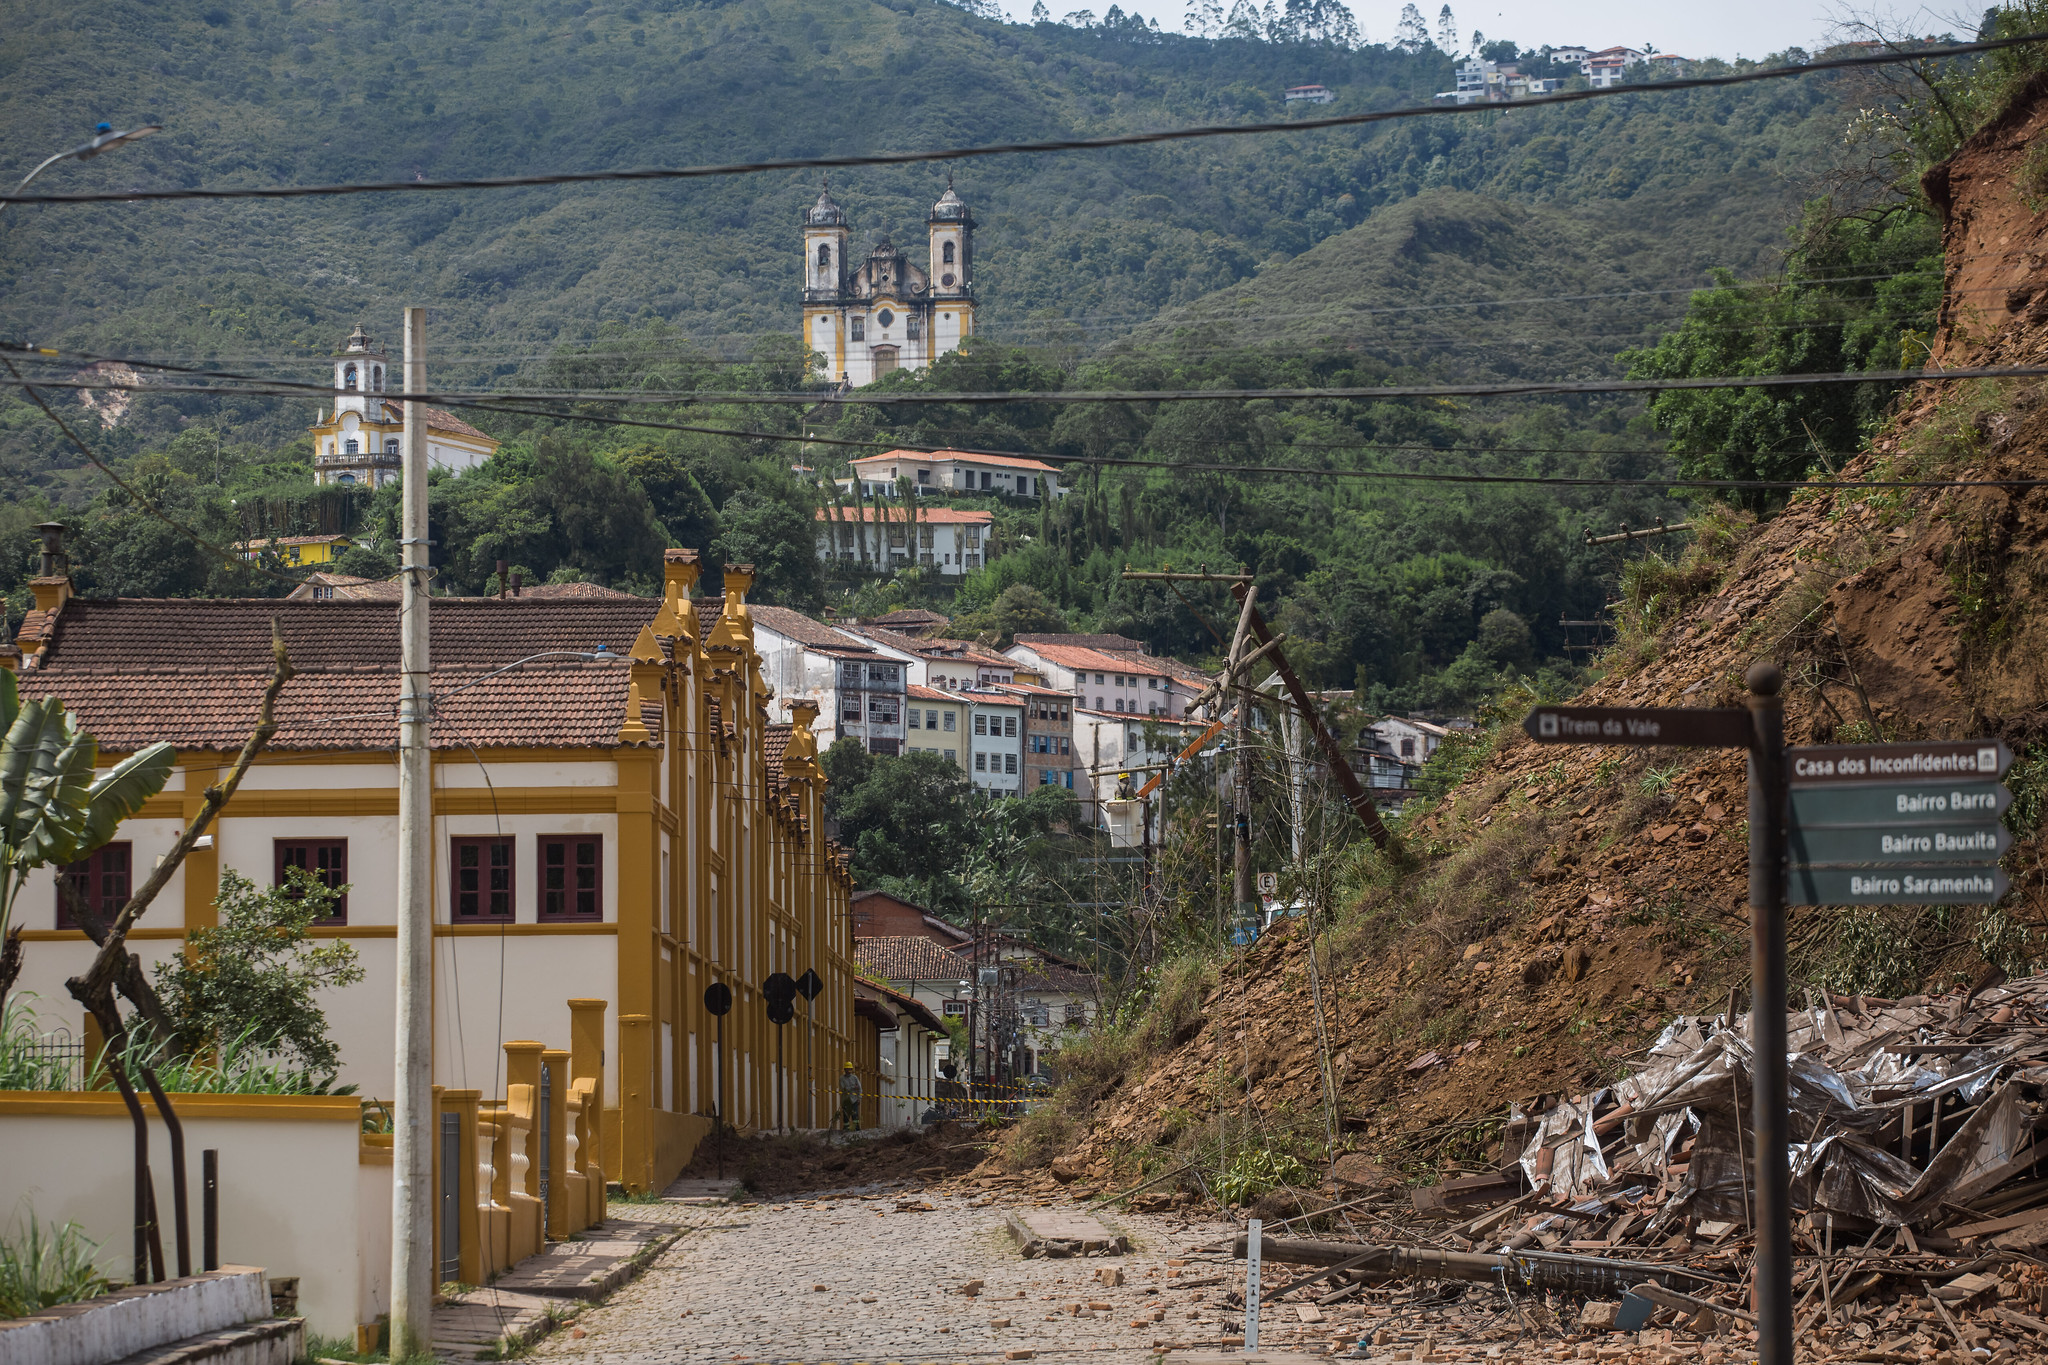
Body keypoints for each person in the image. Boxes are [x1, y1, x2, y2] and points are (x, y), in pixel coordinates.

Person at [839, 1061, 862, 1131]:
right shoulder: (842, 1078)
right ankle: (846, 1128)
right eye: (847, 1069)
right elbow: (843, 1089)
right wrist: (852, 1087)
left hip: (854, 1100)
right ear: (845, 1069)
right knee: (846, 1116)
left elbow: (859, 1088)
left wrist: (859, 1098)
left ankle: (856, 1128)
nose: (849, 1071)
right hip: (846, 1100)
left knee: (855, 1115)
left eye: (850, 1069)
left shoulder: (855, 1078)